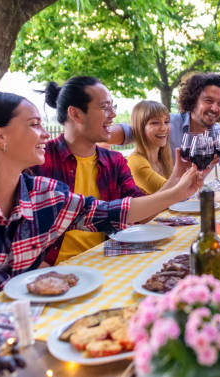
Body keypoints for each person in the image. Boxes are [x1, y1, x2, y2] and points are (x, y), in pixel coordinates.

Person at [0, 92, 204, 314]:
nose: (46, 133)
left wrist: (177, 193)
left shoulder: (44, 195)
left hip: (24, 322)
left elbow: (110, 212)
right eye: (34, 124)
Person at [29, 76, 146, 265]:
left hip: (107, 261)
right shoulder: (39, 160)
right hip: (54, 270)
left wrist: (179, 182)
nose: (113, 115)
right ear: (75, 114)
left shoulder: (114, 161)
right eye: (104, 107)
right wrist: (35, 264)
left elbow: (141, 207)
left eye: (112, 106)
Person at [127, 100, 189, 195]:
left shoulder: (163, 158)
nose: (163, 128)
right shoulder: (136, 162)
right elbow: (172, 194)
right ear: (140, 128)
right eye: (155, 123)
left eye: (166, 122)